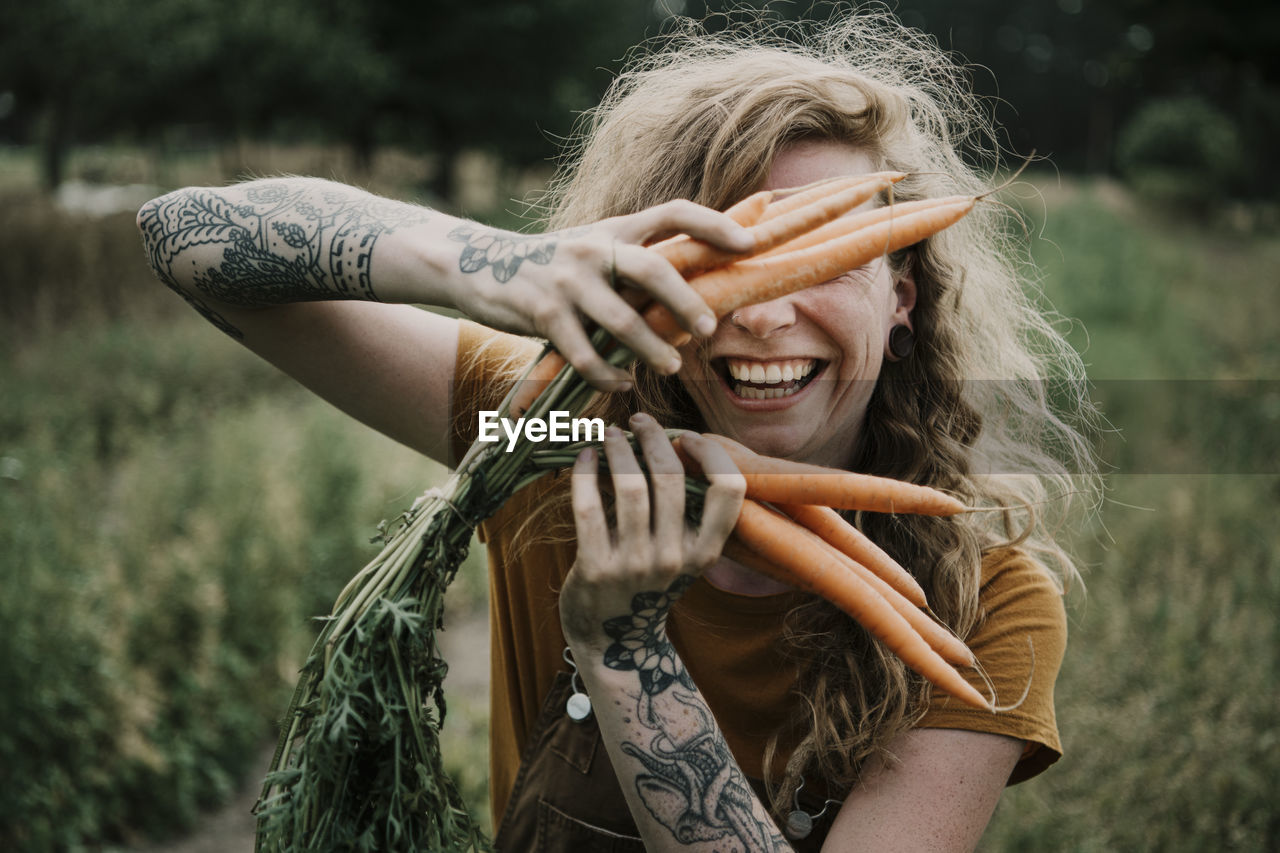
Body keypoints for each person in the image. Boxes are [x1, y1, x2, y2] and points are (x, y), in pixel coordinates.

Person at [137, 9, 1097, 851]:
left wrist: (629, 650)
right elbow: (183, 235)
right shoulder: (541, 439)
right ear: (635, 276)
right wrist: (492, 263)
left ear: (901, 300)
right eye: (721, 265)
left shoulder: (983, 606)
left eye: (823, 260)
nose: (764, 317)